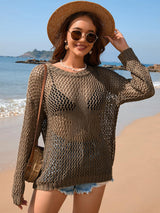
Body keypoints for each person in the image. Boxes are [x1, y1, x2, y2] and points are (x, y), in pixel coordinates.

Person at [12, 1, 155, 213]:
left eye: (90, 35)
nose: (82, 40)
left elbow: (145, 88)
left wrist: (124, 49)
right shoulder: (43, 74)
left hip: (95, 169)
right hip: (55, 169)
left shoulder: (104, 77)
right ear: (65, 36)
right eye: (77, 33)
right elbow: (29, 130)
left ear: (95, 41)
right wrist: (18, 182)